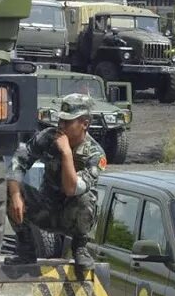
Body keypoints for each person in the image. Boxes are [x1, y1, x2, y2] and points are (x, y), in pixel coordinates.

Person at [6, 93, 104, 275]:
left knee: (86, 197)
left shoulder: (95, 155)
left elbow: (72, 189)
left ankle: (80, 248)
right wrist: (16, 196)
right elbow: (18, 161)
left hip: (72, 217)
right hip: (46, 209)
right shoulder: (48, 137)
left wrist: (67, 153)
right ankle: (26, 250)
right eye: (61, 120)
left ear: (85, 124)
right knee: (9, 188)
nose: (61, 126)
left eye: (68, 122)